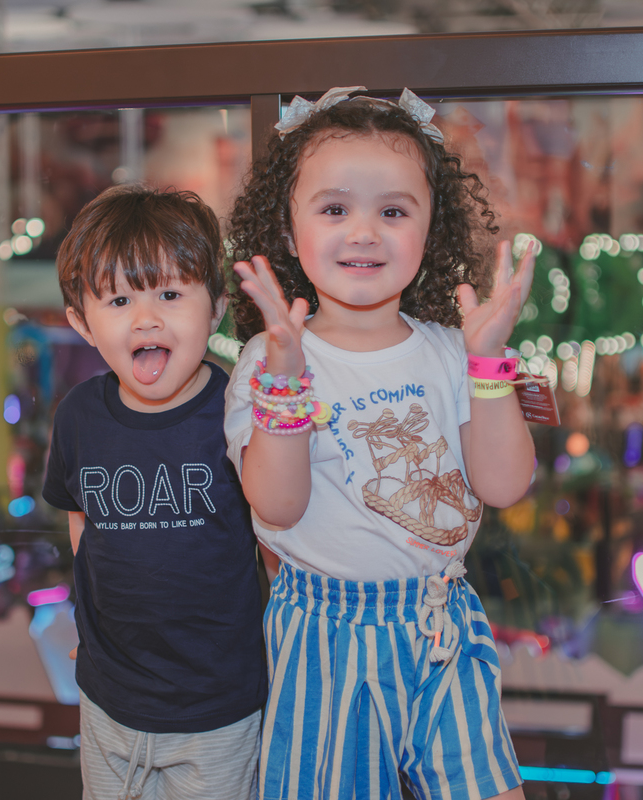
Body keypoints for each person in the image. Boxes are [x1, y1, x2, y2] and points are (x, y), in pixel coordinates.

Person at [225, 87, 535, 800]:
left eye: (393, 211)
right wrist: (286, 377)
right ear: (288, 223)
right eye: (335, 209)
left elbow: (503, 483)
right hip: (326, 636)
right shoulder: (270, 363)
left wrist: (488, 362)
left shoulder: (450, 351)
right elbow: (277, 503)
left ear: (431, 229)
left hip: (443, 621)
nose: (364, 232)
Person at [43, 185, 267, 800]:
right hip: (108, 699)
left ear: (217, 307)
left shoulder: (235, 410)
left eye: (170, 294)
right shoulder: (78, 416)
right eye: (119, 299)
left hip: (218, 708)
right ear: (82, 323)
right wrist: (89, 630)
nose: (147, 318)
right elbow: (82, 523)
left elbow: (275, 533)